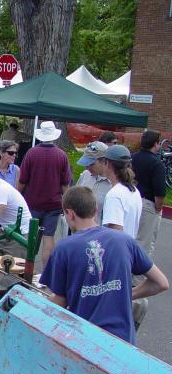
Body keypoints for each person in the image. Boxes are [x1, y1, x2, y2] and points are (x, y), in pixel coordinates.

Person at [40, 186, 168, 344]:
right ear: (95, 210)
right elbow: (161, 283)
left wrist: (38, 310)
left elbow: (60, 301)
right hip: (123, 340)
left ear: (70, 213)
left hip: (87, 340)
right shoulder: (124, 240)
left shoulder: (65, 248)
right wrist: (125, 294)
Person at [18, 121, 71, 263]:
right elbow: (65, 184)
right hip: (53, 204)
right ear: (54, 136)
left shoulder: (31, 153)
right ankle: (46, 272)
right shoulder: (61, 155)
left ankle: (27, 267)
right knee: (48, 237)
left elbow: (23, 180)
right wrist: (66, 204)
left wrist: (17, 196)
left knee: (31, 237)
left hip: (33, 202)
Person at [131, 130, 166, 258]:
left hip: (131, 198)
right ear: (156, 144)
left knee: (130, 236)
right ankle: (137, 277)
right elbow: (159, 190)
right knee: (144, 243)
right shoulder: (157, 164)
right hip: (147, 203)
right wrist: (158, 207)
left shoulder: (132, 157)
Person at [101, 145, 142, 239]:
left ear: (108, 164)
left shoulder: (114, 195)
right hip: (128, 247)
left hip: (117, 250)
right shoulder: (134, 190)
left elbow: (115, 231)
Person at [76, 141, 111, 223]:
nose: (87, 167)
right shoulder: (85, 175)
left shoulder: (113, 184)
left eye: (91, 164)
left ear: (103, 161)